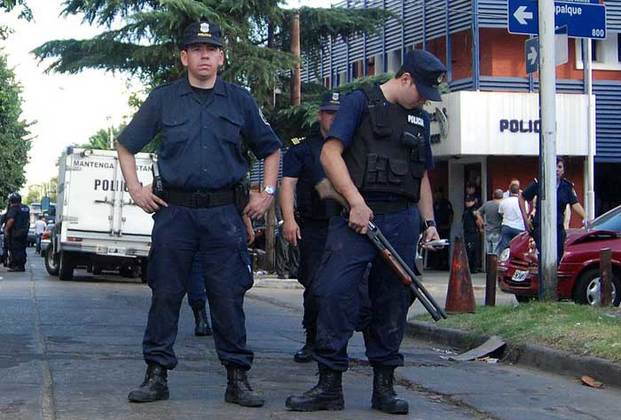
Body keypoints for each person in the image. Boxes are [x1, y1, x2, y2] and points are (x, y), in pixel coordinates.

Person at [116, 20, 281, 406]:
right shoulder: (163, 99)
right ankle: (156, 375)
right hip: (175, 213)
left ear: (222, 57)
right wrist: (136, 189)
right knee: (165, 293)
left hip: (225, 214)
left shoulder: (239, 100)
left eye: (211, 49)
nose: (204, 55)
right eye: (196, 49)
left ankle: (237, 378)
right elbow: (126, 146)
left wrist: (268, 192)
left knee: (228, 296)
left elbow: (271, 149)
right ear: (184, 56)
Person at [285, 49, 445, 415]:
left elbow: (421, 177)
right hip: (356, 217)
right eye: (420, 90)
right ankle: (328, 385)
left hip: (401, 219)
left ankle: (384, 388)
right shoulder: (360, 103)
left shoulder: (417, 120)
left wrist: (430, 224)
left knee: (392, 301)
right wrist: (355, 201)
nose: (423, 99)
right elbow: (330, 155)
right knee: (332, 292)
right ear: (405, 78)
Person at [280, 91, 341, 363]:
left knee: (342, 287)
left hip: (345, 224)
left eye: (338, 114)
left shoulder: (352, 144)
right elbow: (288, 184)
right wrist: (289, 219)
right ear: (320, 116)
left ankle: (335, 341)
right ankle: (312, 339)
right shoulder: (303, 147)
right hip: (313, 226)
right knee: (315, 286)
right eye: (329, 113)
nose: (334, 118)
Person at [520, 157, 587, 264]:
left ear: (563, 170)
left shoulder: (567, 187)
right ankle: (543, 278)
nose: (556, 169)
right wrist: (525, 218)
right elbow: (522, 197)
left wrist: (586, 218)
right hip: (541, 227)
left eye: (559, 167)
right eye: (554, 167)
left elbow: (575, 204)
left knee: (557, 258)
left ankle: (552, 278)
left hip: (558, 228)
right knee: (544, 258)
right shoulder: (539, 184)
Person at [496, 180, 526, 254]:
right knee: (518, 250)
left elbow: (500, 213)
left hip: (507, 227)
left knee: (504, 250)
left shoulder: (504, 201)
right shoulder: (523, 202)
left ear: (509, 191)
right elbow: (526, 213)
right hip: (520, 228)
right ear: (519, 191)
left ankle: (504, 264)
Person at [3, 193, 30, 272]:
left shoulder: (14, 208)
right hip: (24, 232)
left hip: (15, 232)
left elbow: (11, 220)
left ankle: (17, 266)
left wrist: (6, 230)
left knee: (15, 249)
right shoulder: (25, 208)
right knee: (22, 248)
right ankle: (21, 265)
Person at [476, 189, 504, 256]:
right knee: (497, 254)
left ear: (493, 195)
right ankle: (495, 266)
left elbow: (477, 212)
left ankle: (489, 266)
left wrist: (482, 222)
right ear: (502, 196)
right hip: (498, 231)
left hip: (488, 231)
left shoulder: (487, 204)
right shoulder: (502, 205)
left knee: (489, 253)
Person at [432, 187, 453, 269]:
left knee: (444, 247)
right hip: (436, 228)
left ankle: (444, 264)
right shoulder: (435, 204)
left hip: (444, 227)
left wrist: (449, 225)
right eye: (435, 193)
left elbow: (451, 214)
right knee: (435, 246)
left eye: (438, 193)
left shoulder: (446, 203)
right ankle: (436, 264)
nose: (437, 195)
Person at [462, 194, 482, 272]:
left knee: (472, 250)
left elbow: (478, 220)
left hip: (472, 232)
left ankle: (473, 267)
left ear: (473, 202)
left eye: (469, 201)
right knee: (468, 249)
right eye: (467, 201)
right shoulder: (466, 210)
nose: (467, 203)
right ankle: (469, 267)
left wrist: (480, 228)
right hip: (467, 232)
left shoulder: (474, 210)